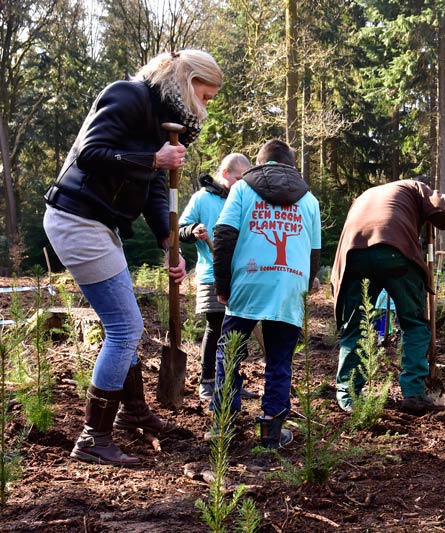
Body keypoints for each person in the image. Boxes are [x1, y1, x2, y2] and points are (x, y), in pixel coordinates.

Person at [42, 50, 222, 465]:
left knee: (121, 324)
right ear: (186, 81)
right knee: (126, 327)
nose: (207, 106)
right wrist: (152, 158)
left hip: (100, 224)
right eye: (206, 95)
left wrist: (167, 240)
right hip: (75, 218)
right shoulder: (125, 95)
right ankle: (93, 437)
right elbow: (90, 153)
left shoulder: (161, 121)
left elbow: (155, 189)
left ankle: (132, 411)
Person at [211, 139, 320, 449]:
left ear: (260, 163)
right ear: (290, 165)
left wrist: (223, 285)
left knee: (230, 352)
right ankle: (271, 431)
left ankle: (223, 425)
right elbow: (314, 254)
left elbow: (224, 236)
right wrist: (302, 287)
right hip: (289, 284)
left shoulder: (242, 190)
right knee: (279, 359)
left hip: (249, 280)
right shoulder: (309, 200)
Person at [331, 177, 445, 415]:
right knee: (413, 322)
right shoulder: (414, 186)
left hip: (353, 253)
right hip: (394, 249)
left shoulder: (368, 194)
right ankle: (413, 392)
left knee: (356, 324)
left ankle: (348, 394)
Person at [179, 153, 263, 401]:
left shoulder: (243, 199)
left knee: (238, 332)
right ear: (225, 173)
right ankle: (207, 382)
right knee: (216, 327)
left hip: (240, 275)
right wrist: (194, 230)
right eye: (239, 178)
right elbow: (179, 228)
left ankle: (231, 383)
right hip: (211, 273)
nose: (242, 183)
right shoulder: (201, 199)